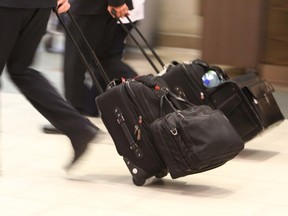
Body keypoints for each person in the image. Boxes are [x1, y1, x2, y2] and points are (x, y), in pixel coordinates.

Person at [0, 0, 129, 170]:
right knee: (21, 71)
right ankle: (78, 127)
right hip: (40, 7)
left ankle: (78, 127)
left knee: (22, 71)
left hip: (9, 7)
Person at [43, 0, 145, 133]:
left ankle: (73, 119)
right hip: (98, 7)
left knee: (75, 61)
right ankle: (148, 95)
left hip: (90, 7)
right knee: (103, 59)